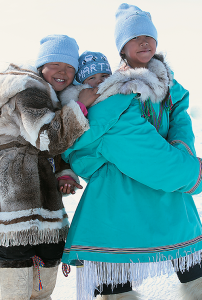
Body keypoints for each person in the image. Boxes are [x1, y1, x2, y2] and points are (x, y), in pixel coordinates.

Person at [61, 4, 202, 300]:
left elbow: (181, 124)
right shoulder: (115, 93)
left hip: (164, 188)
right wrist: (191, 173)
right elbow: (136, 148)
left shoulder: (171, 86)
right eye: (134, 37)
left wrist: (182, 151)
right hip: (123, 193)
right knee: (116, 275)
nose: (143, 42)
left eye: (148, 36)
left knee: (193, 266)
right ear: (121, 48)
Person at [0, 34, 97, 300]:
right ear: (42, 65)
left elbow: (52, 150)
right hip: (16, 205)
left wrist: (64, 172)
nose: (63, 72)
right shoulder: (28, 91)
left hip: (42, 206)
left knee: (41, 286)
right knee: (16, 288)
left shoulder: (49, 97)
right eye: (55, 64)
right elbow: (46, 137)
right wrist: (79, 106)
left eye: (69, 68)